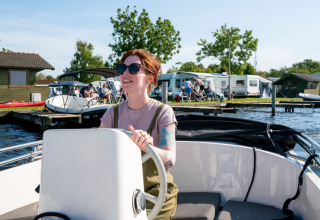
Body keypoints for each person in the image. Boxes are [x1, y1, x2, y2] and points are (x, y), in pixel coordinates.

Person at [100, 49, 178, 219]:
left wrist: (148, 146)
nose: (125, 73)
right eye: (122, 68)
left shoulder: (163, 112)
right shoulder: (111, 114)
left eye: (134, 68)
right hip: (119, 191)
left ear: (150, 77)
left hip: (156, 196)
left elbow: (171, 159)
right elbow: (99, 153)